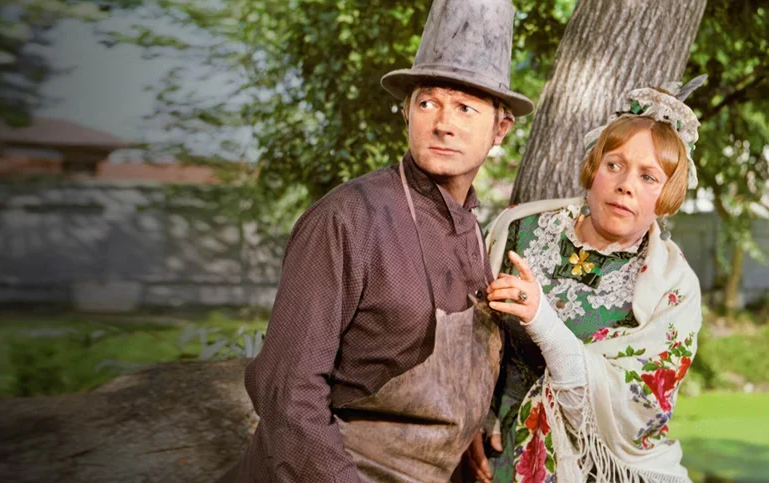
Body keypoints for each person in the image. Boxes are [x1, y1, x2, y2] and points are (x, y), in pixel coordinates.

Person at [226, 0, 535, 481]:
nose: (443, 123)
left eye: (465, 108)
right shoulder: (347, 218)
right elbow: (287, 392)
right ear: (407, 112)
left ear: (501, 128)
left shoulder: (473, 231)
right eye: (427, 103)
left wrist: (466, 425)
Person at [463, 77, 707, 483]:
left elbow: (637, 411)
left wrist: (543, 320)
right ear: (594, 169)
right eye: (614, 165)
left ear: (668, 195)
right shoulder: (518, 229)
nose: (625, 185)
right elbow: (468, 339)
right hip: (491, 458)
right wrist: (470, 418)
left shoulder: (674, 286)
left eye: (648, 177)